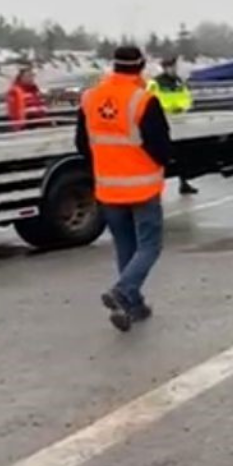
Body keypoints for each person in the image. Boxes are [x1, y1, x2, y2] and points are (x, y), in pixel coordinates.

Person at [75, 46, 171, 332]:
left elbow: (82, 143)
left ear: (113, 66)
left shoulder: (90, 98)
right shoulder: (143, 100)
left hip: (108, 188)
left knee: (125, 245)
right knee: (150, 245)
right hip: (141, 187)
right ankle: (123, 290)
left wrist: (106, 164)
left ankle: (134, 304)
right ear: (141, 67)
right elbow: (161, 147)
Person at [148, 57, 199, 195]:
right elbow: (150, 100)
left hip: (180, 120)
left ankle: (184, 183)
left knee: (183, 154)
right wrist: (169, 108)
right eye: (170, 67)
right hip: (164, 120)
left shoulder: (178, 81)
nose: (173, 70)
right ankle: (157, 187)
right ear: (164, 68)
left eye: (174, 67)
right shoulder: (155, 83)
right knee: (163, 154)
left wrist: (182, 107)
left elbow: (186, 97)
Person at [6, 66, 48, 130]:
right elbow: (14, 111)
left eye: (32, 76)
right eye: (28, 76)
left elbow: (42, 105)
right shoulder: (15, 91)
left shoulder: (35, 90)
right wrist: (19, 125)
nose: (31, 78)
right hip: (26, 125)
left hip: (40, 122)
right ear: (21, 78)